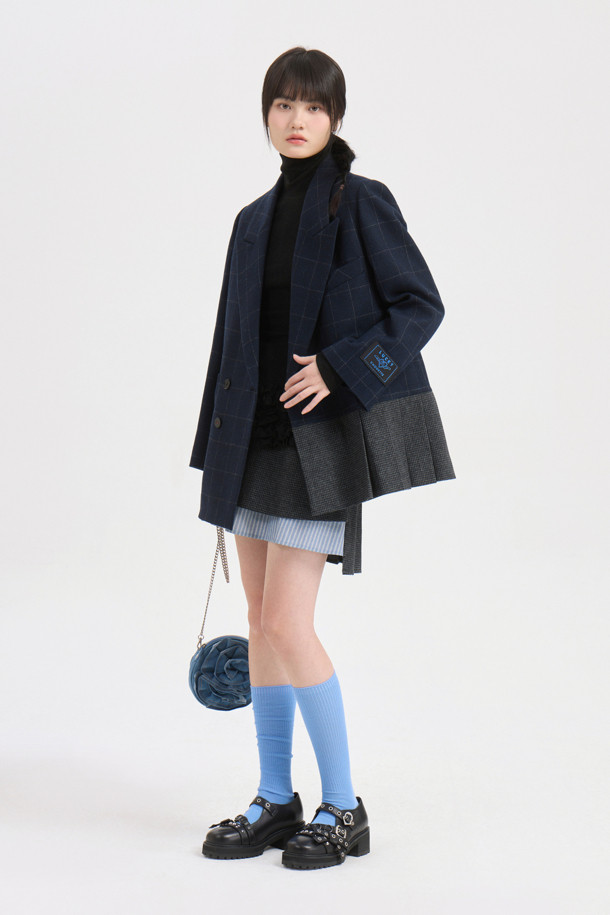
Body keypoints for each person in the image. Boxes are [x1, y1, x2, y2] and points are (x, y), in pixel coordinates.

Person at [189, 46, 456, 869]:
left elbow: (420, 305)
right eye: (283, 104)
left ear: (336, 117)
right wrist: (213, 449)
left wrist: (340, 369)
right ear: (266, 116)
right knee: (258, 623)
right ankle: (276, 797)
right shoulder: (250, 220)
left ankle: (344, 805)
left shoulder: (360, 201)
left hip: (317, 449)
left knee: (287, 623)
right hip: (251, 442)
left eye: (312, 105)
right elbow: (230, 342)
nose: (297, 119)